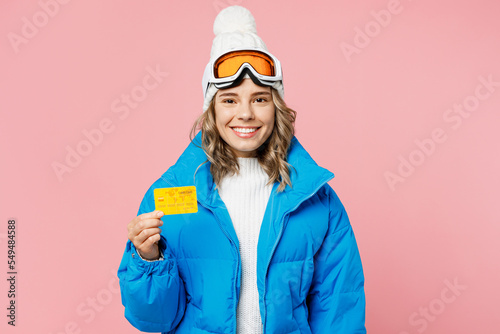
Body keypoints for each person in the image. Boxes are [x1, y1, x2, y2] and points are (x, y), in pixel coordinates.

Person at [117, 5, 366, 334]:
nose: (245, 114)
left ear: (276, 107)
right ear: (211, 110)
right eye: (230, 100)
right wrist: (148, 258)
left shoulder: (317, 200)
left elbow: (338, 309)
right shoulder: (171, 192)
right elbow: (155, 319)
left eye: (260, 99)